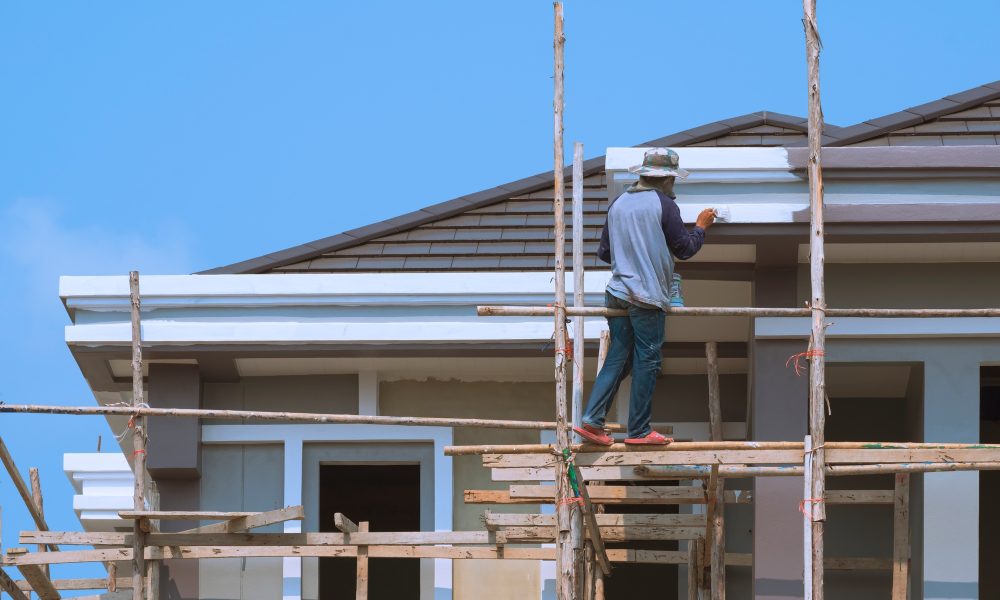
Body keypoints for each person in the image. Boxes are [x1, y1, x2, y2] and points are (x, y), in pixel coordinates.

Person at [573, 148, 715, 446]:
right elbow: (685, 249)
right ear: (665, 179)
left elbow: (606, 253)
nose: (673, 185)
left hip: (617, 293)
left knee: (619, 357)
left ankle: (592, 421)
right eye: (672, 180)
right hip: (646, 296)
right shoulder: (664, 205)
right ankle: (638, 430)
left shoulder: (619, 204)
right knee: (647, 361)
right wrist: (701, 228)